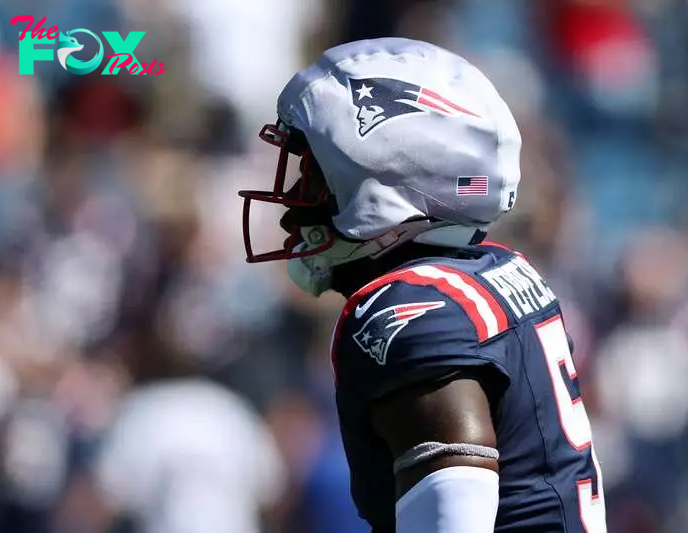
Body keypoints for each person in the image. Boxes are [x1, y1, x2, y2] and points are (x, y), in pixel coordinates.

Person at [239, 37, 607, 533]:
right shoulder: (498, 271)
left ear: (378, 183)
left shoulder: (407, 311)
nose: (289, 206)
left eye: (311, 174)